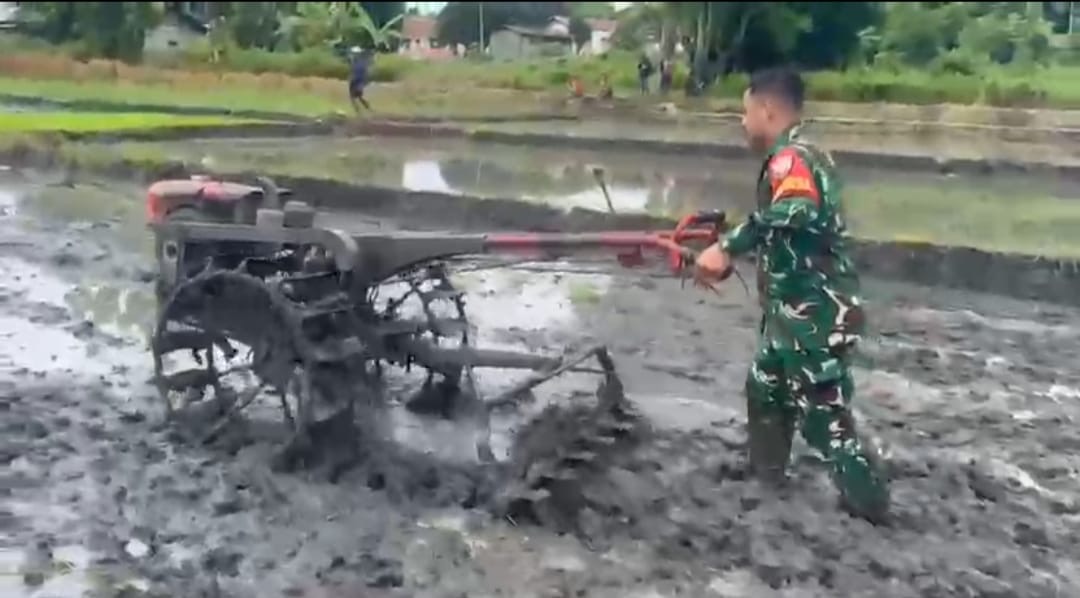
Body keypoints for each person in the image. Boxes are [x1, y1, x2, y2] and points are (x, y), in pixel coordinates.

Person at [693, 66, 891, 522]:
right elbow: (788, 225)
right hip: (792, 313)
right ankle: (767, 481)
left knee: (823, 417)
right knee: (764, 388)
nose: (743, 124)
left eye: (745, 113)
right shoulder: (804, 155)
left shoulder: (791, 159)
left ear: (767, 110)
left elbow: (796, 209)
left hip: (815, 314)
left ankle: (872, 507)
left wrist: (728, 247)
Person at [348, 48, 372, 114]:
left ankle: (359, 111)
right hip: (358, 81)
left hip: (356, 81)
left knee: (354, 97)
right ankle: (366, 109)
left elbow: (356, 72)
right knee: (358, 97)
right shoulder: (360, 62)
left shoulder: (357, 62)